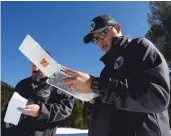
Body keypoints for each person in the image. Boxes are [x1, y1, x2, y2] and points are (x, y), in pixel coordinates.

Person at [61, 15, 170, 136]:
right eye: (95, 39)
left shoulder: (139, 47)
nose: (100, 41)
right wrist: (94, 98)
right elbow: (114, 102)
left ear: (117, 28)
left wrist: (96, 85)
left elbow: (157, 98)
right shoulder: (106, 71)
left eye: (102, 34)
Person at [1, 58, 75, 136]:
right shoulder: (22, 84)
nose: (36, 68)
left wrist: (40, 111)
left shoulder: (60, 84)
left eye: (40, 65)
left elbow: (65, 108)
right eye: (33, 64)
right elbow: (8, 108)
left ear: (48, 65)